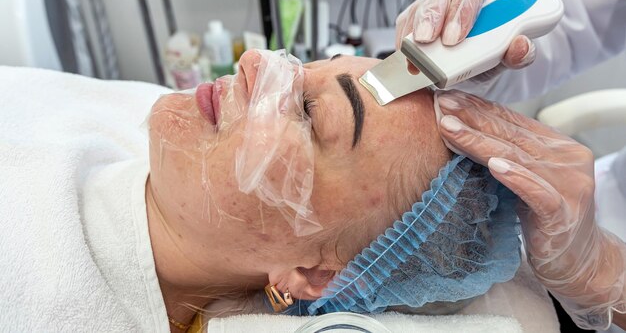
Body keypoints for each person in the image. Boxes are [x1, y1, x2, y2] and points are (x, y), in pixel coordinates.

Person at [0, 50, 459, 332]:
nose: (255, 60)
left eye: (307, 108)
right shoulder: (118, 109)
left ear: (315, 276)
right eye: (306, 64)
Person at [395, 0, 626, 330]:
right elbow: (572, 26)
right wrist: (476, 54)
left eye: (311, 113)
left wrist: (608, 275)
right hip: (601, 205)